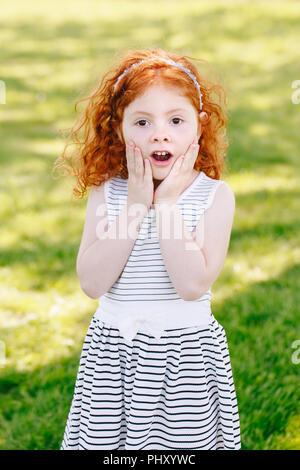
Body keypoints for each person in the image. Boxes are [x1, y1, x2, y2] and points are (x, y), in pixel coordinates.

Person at [53, 47, 241, 450]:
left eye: (176, 120)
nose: (160, 133)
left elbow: (191, 285)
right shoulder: (109, 193)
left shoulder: (215, 196)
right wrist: (137, 204)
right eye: (142, 121)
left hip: (183, 360)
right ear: (118, 128)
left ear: (199, 126)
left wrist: (167, 204)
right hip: (114, 359)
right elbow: (92, 281)